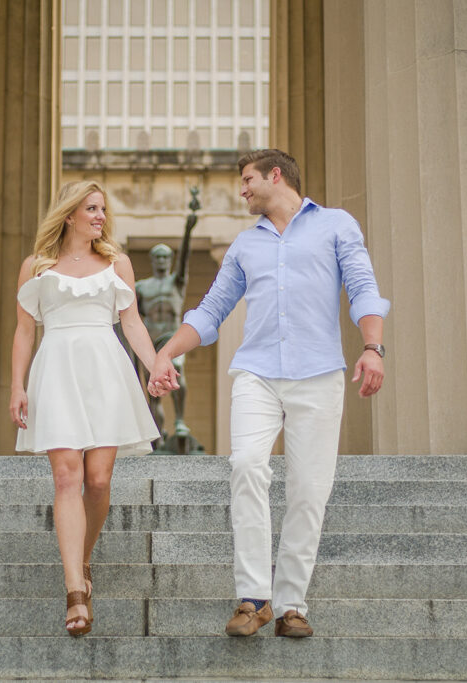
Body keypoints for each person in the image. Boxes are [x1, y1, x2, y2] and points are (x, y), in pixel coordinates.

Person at [150, 149, 390, 638]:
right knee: (246, 466)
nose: (242, 190)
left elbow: (363, 287)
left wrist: (373, 347)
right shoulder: (244, 245)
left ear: (274, 176)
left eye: (247, 180)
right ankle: (253, 597)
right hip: (257, 374)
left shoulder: (337, 226)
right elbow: (211, 309)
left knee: (309, 488)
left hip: (319, 374)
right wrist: (165, 354)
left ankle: (291, 605)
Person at [10, 180, 163, 636]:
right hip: (56, 370)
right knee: (66, 477)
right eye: (91, 208)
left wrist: (156, 367)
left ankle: (83, 556)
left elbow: (131, 323)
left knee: (97, 480)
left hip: (106, 373)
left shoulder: (118, 264)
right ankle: (75, 590)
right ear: (70, 214)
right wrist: (16, 385)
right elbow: (23, 332)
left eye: (102, 209)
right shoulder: (37, 267)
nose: (100, 216)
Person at [134, 188, 199, 447]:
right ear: (152, 260)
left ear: (170, 260)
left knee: (178, 374)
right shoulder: (142, 287)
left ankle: (180, 420)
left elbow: (185, 259)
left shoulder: (176, 282)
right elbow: (132, 318)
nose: (162, 260)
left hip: (171, 339)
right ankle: (157, 434)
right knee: (154, 394)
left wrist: (188, 229)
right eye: (157, 257)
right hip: (150, 340)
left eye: (166, 257)